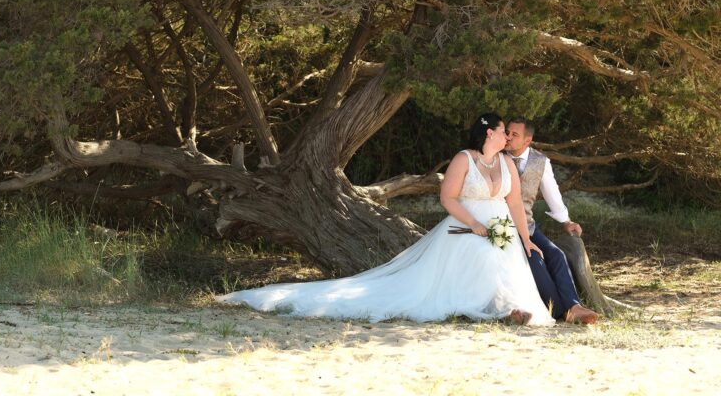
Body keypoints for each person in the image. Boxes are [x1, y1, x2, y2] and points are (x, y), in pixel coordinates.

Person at [217, 113, 555, 326]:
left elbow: (513, 204)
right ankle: (497, 309)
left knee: (506, 265)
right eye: (502, 131)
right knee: (474, 262)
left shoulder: (507, 164)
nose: (507, 136)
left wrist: (525, 239)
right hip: (464, 226)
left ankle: (510, 309)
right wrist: (474, 224)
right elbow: (447, 197)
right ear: (489, 134)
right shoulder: (464, 159)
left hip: (502, 230)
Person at [505, 117, 599, 325]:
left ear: (527, 140)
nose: (508, 137)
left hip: (528, 225)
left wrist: (566, 221)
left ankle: (574, 306)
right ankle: (561, 312)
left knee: (556, 254)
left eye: (514, 135)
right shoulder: (497, 157)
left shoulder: (540, 161)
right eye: (507, 132)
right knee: (536, 260)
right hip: (504, 227)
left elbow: (552, 193)